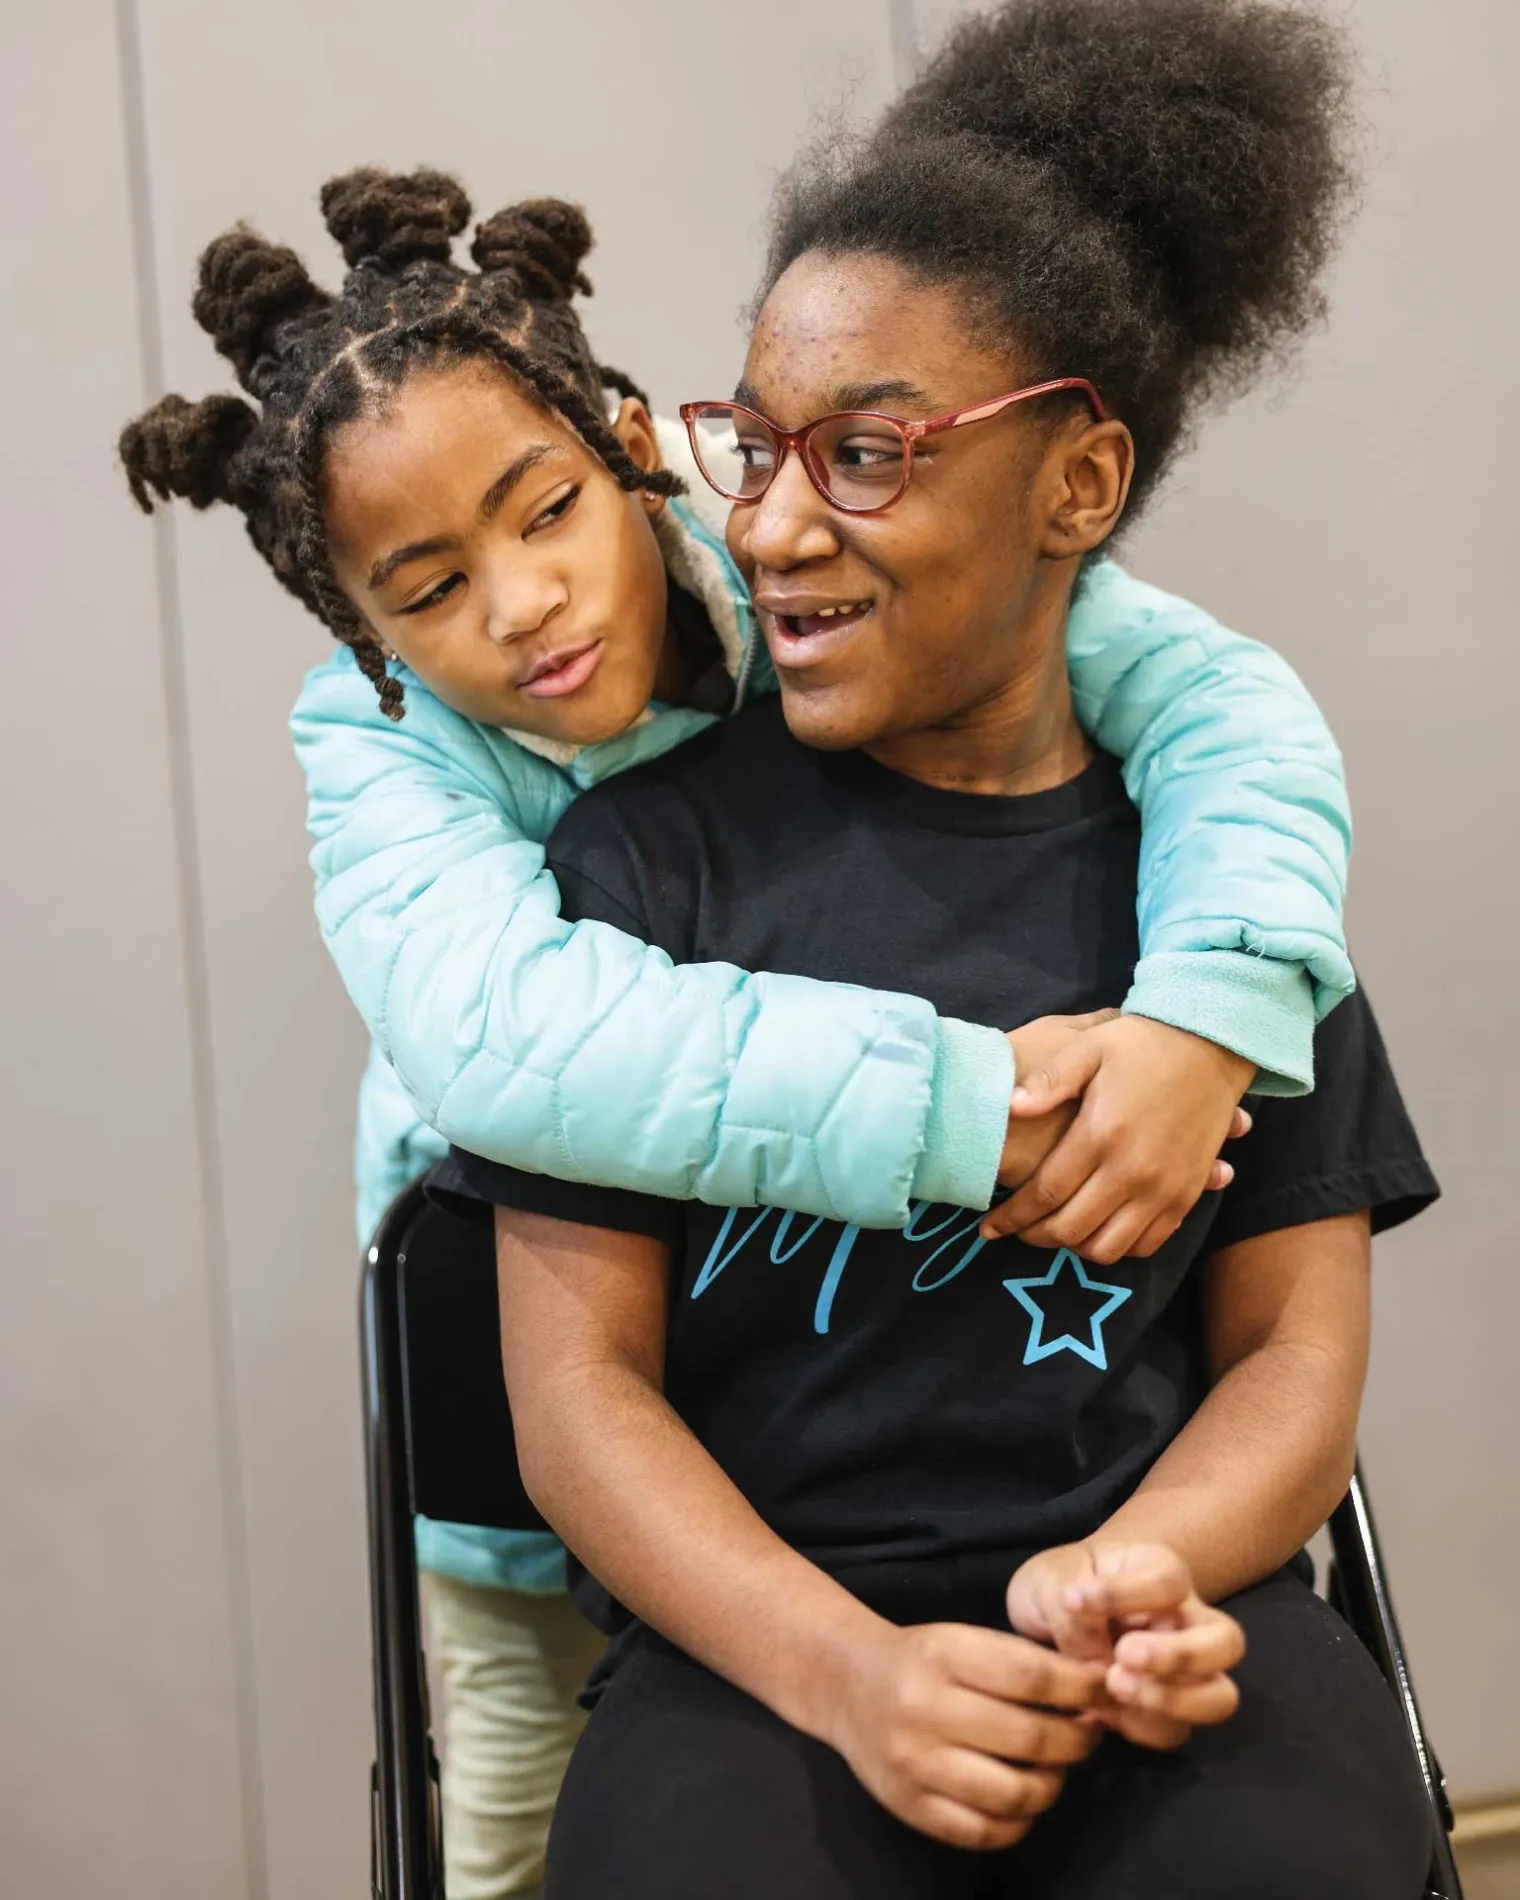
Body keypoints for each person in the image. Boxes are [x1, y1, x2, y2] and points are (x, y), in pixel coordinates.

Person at [118, 88, 1348, 1900]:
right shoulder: (376, 744)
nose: (528, 607)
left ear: (626, 445)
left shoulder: (770, 530)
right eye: (432, 590)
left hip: (832, 1364)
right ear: (361, 631)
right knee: (524, 1784)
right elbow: (510, 1041)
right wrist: (963, 1105)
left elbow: (1208, 693)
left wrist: (1208, 1007)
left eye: (545, 512)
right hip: (550, 1313)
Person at [434, 2, 1441, 1894]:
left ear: (1078, 484)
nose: (778, 525)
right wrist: (844, 1672)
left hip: (1157, 1611)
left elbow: (1295, 1356)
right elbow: (577, 1405)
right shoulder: (638, 867)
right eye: (755, 446)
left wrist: (1141, 1567)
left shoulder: (1220, 897)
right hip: (754, 1654)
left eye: (871, 453)